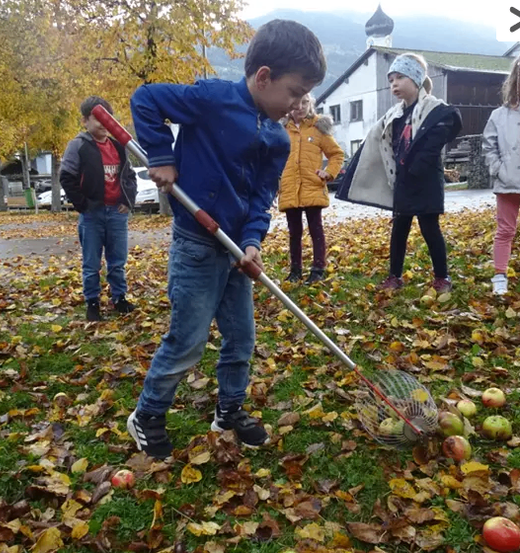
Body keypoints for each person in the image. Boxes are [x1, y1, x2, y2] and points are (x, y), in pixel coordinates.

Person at [128, 19, 326, 459]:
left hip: (237, 252)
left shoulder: (277, 138)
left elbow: (261, 198)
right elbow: (146, 99)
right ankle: (148, 413)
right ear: (263, 77)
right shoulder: (212, 99)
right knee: (188, 339)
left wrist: (253, 241)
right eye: (294, 92)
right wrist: (161, 155)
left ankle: (230, 409)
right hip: (196, 246)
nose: (297, 103)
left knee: (241, 339)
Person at [337, 53, 462, 293]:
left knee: (430, 229)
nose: (393, 84)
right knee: (399, 229)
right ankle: (394, 276)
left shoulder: (435, 112)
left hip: (426, 181)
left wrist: (416, 169)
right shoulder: (395, 115)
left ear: (416, 79)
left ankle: (442, 277)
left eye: (399, 78)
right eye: (391, 79)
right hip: (402, 182)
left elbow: (435, 142)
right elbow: (377, 142)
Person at [60, 96, 137, 321]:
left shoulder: (119, 147)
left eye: (108, 118)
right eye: (97, 119)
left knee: (117, 260)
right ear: (85, 120)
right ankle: (92, 302)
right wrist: (83, 204)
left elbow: (129, 176)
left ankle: (119, 298)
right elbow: (67, 176)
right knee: (91, 262)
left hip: (116, 213)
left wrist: (128, 200)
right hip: (92, 214)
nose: (103, 123)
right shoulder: (79, 145)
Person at [278, 94, 344, 283]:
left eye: (305, 102)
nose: (300, 107)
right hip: (290, 188)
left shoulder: (318, 128)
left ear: (311, 104)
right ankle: (295, 270)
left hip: (312, 186)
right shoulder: (283, 130)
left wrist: (328, 173)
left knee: (316, 229)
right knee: (294, 232)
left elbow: (336, 154)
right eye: (296, 103)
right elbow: (273, 156)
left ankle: (317, 268)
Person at [482, 55, 520, 296]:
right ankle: (499, 275)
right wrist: (498, 168)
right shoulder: (499, 115)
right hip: (507, 182)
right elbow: (488, 145)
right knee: (505, 230)